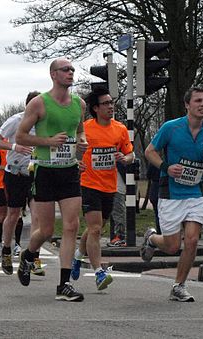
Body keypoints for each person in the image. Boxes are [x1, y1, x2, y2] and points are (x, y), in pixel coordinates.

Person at [15, 58, 88, 301]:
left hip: (69, 170)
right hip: (45, 171)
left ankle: (63, 285)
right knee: (45, 230)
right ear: (53, 74)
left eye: (72, 70)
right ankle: (28, 254)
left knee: (71, 226)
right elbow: (21, 137)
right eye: (66, 70)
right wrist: (48, 141)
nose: (71, 73)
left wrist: (81, 139)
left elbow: (79, 130)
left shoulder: (80, 104)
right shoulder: (39, 104)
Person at [142, 87, 203, 302]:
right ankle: (151, 239)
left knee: (193, 240)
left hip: (196, 192)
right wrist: (166, 167)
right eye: (198, 101)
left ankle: (179, 286)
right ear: (187, 105)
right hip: (171, 193)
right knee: (172, 246)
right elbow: (150, 151)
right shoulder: (171, 128)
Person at [72, 88, 134, 291]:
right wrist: (76, 162)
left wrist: (125, 159)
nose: (110, 106)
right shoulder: (85, 129)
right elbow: (72, 151)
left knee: (94, 229)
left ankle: (78, 257)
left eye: (111, 102)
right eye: (106, 103)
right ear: (96, 108)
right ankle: (99, 272)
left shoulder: (120, 129)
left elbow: (130, 154)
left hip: (110, 186)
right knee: (96, 229)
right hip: (89, 184)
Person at [0, 90, 44, 276]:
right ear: (28, 106)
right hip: (15, 173)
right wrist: (14, 146)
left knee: (38, 216)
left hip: (36, 174)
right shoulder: (15, 120)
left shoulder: (45, 123)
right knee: (13, 214)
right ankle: (6, 249)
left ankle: (34, 256)